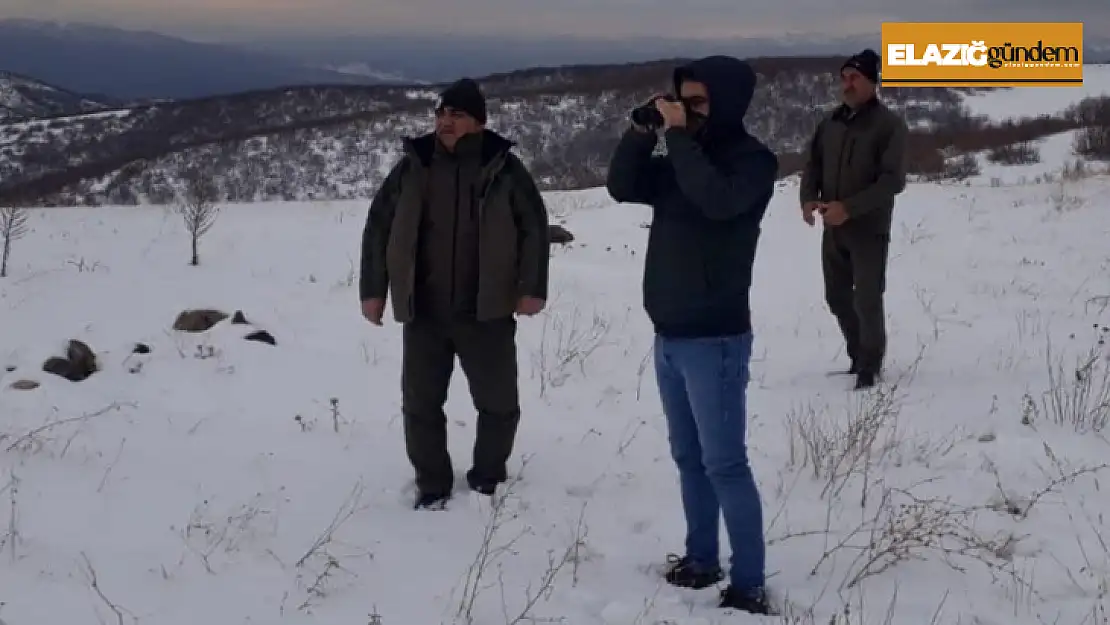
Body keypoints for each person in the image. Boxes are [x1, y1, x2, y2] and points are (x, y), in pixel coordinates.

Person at [606, 55, 776, 615]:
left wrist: (679, 140)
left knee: (725, 463)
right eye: (683, 100)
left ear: (727, 103)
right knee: (689, 458)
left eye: (699, 102)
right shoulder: (684, 156)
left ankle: (748, 584)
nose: (688, 110)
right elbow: (622, 186)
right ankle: (701, 559)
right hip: (670, 334)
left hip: (716, 338)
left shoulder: (751, 163)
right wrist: (640, 133)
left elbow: (716, 200)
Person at [359, 77, 551, 510]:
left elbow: (534, 227)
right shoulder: (415, 164)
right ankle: (432, 484)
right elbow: (378, 226)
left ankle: (487, 476)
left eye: (457, 114)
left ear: (479, 122)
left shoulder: (502, 166)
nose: (445, 121)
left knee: (498, 403)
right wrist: (374, 290)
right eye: (441, 113)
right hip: (424, 308)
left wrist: (532, 287)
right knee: (421, 404)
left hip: (486, 308)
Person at [799, 49, 909, 390]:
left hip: (868, 228)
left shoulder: (889, 126)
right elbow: (813, 164)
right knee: (836, 296)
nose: (847, 84)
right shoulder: (830, 123)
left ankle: (869, 365)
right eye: (844, 77)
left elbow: (893, 181)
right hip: (834, 228)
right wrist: (807, 199)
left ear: (872, 82)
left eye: (855, 78)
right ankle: (856, 352)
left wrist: (850, 207)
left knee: (867, 297)